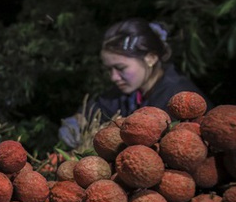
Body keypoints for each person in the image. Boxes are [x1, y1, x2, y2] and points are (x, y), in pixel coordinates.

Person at [59, 18, 212, 148]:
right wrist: (74, 125)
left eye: (120, 68)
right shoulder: (130, 92)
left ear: (150, 58)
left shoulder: (179, 95)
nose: (114, 77)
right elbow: (91, 111)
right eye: (109, 69)